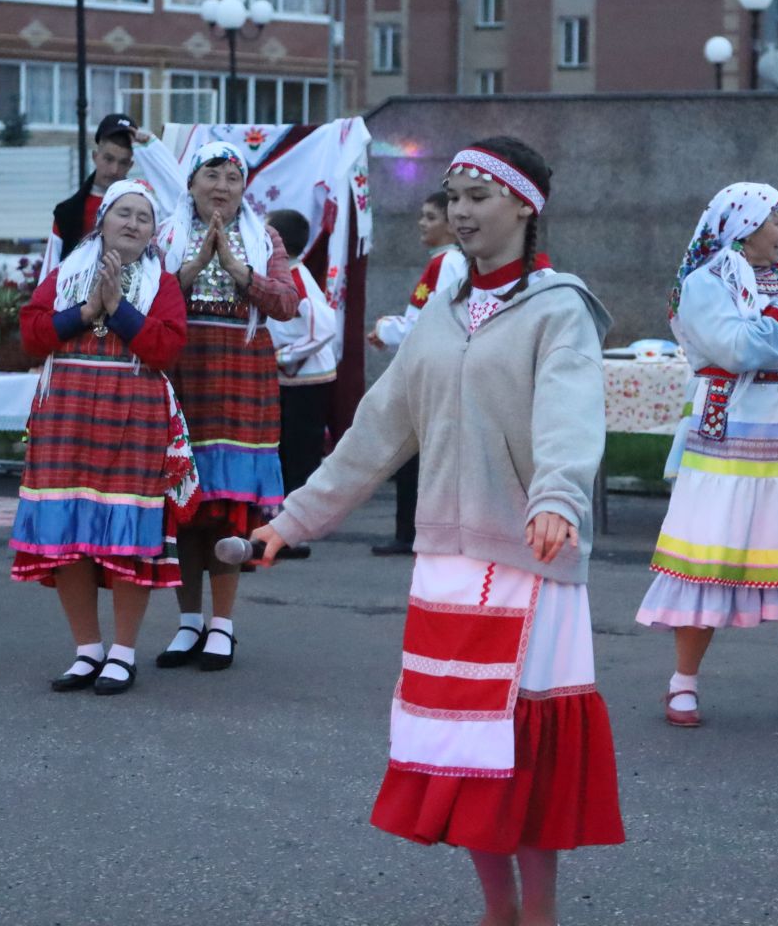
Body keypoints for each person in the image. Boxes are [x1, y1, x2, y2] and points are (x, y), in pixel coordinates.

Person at [253, 137, 624, 926]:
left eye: (478, 196)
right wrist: (292, 519)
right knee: (463, 752)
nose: (460, 211)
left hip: (530, 556)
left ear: (525, 205)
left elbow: (569, 418)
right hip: (447, 563)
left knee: (524, 754)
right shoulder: (443, 311)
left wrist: (557, 499)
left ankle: (541, 914)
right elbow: (377, 432)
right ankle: (497, 909)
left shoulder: (559, 309)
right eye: (452, 196)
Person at [637, 183, 778, 729]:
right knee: (711, 553)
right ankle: (682, 683)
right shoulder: (705, 284)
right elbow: (738, 350)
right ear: (744, 226)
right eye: (775, 221)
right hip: (731, 427)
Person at [10, 180, 192, 697]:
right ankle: (87, 649)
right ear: (102, 220)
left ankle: (123, 652)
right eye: (124, 214)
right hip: (66, 417)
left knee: (127, 536)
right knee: (68, 532)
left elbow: (166, 349)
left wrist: (122, 311)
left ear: (154, 231)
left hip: (132, 418)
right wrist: (88, 311)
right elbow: (31, 335)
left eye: (143, 217)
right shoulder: (66, 272)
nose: (133, 223)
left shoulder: (164, 284)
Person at [154, 142, 299, 671]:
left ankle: (223, 625)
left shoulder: (266, 238)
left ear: (244, 188)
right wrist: (189, 269)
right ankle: (188, 620)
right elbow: (145, 304)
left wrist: (240, 271)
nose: (221, 186)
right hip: (183, 376)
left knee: (227, 512)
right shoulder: (165, 234)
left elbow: (287, 303)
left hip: (241, 378)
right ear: (190, 184)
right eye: (211, 174)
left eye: (232, 177)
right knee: (185, 507)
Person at [368, 189, 467, 557]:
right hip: (431, 368)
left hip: (433, 372)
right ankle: (412, 530)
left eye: (430, 217)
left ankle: (412, 531)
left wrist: (387, 330)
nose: (422, 223)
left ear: (452, 225)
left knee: (416, 453)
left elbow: (433, 322)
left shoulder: (448, 263)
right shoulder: (443, 262)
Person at [266, 207, 338, 560]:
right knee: (286, 452)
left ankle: (297, 528)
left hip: (307, 380)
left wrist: (284, 357)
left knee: (299, 454)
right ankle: (283, 522)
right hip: (292, 379)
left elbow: (324, 328)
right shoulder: (284, 277)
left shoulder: (296, 277)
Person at [40, 114, 140, 277]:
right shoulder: (67, 212)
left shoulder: (143, 212)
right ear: (95, 156)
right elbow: (49, 274)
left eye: (122, 163)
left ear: (130, 165)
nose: (114, 170)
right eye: (108, 159)